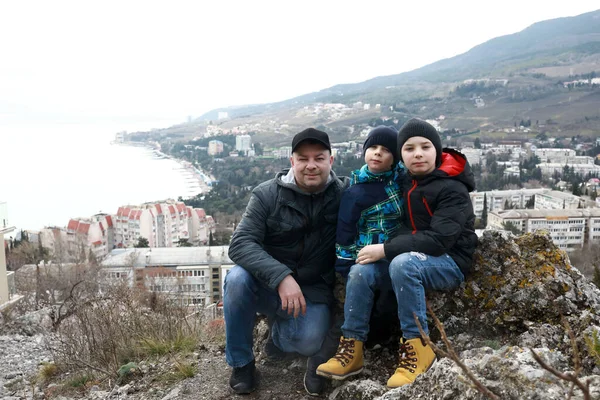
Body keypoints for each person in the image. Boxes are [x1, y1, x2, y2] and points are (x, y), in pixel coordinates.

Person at [317, 118, 478, 388]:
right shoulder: (406, 182)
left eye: (425, 147)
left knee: (403, 264)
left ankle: (419, 347)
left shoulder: (452, 188)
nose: (417, 153)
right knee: (361, 270)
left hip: (450, 261)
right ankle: (352, 348)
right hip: (411, 256)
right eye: (409, 148)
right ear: (401, 156)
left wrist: (385, 248)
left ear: (437, 151)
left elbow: (440, 240)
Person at [224, 127, 349, 396]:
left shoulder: (343, 195)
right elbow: (240, 243)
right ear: (292, 161)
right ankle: (242, 363)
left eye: (319, 157)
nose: (311, 165)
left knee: (308, 341)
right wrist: (281, 276)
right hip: (267, 285)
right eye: (303, 158)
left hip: (312, 291)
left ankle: (277, 335)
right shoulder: (267, 194)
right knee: (236, 279)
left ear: (331, 160)